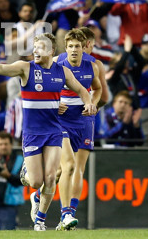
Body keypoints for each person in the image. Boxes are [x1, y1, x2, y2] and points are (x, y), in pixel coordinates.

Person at [0, 33, 94, 231]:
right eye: (34, 47)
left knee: (52, 177)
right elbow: (0, 68)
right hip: (32, 133)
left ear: (51, 51)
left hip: (54, 131)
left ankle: (40, 222)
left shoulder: (62, 72)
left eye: (41, 47)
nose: (36, 50)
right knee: (36, 182)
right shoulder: (25, 67)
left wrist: (88, 103)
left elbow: (82, 90)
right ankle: (29, 179)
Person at [36, 29, 102, 231]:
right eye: (70, 46)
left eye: (77, 46)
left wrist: (92, 104)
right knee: (70, 166)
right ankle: (66, 215)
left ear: (85, 48)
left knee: (65, 171)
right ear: (66, 48)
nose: (74, 50)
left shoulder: (92, 67)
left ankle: (39, 205)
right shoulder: (56, 63)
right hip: (60, 121)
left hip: (83, 122)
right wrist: (55, 103)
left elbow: (97, 89)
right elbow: (38, 87)